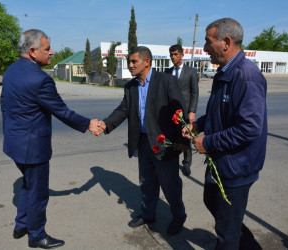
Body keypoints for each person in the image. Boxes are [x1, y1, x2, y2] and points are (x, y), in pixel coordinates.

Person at [0, 29, 102, 249]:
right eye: (47, 48)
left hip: (14, 143)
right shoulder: (40, 79)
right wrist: (88, 124)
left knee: (28, 185)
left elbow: (4, 107)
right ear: (33, 51)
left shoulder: (11, 70)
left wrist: (9, 133)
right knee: (38, 193)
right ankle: (36, 235)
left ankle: (21, 226)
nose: (52, 52)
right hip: (32, 148)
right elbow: (62, 112)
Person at [183, 18, 266, 249]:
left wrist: (208, 142)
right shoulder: (224, 73)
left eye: (208, 42)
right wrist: (199, 125)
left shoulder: (247, 76)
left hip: (237, 166)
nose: (204, 49)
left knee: (227, 233)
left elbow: (249, 128)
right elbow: (218, 113)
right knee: (213, 202)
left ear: (226, 42)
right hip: (222, 161)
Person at [97, 46, 188, 235]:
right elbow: (123, 110)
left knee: (170, 185)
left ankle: (179, 217)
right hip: (144, 142)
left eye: (133, 62)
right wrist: (105, 125)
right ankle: (148, 215)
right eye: (129, 62)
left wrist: (182, 141)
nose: (130, 65)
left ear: (147, 62)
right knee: (146, 183)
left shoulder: (165, 80)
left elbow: (179, 111)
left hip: (165, 143)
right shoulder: (131, 87)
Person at [165, 44, 199, 176]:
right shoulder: (167, 72)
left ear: (182, 55)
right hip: (170, 111)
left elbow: (194, 93)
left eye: (175, 54)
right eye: (171, 55)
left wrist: (192, 111)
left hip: (185, 111)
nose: (173, 57)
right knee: (172, 136)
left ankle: (186, 163)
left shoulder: (191, 71)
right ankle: (172, 160)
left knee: (186, 138)